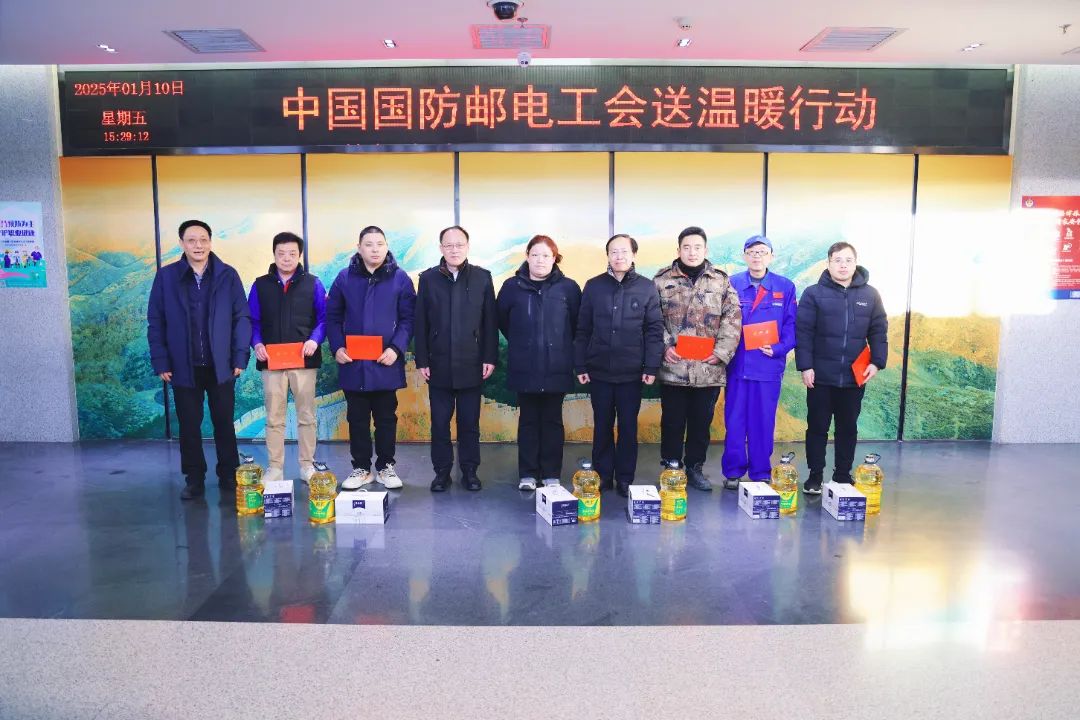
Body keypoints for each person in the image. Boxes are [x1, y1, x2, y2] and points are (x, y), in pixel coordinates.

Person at [147, 219, 251, 501]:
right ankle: (194, 478)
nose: (198, 245)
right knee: (189, 425)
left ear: (210, 242)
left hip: (222, 365)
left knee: (224, 423)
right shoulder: (166, 277)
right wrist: (161, 361)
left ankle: (228, 474)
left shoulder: (227, 275)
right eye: (192, 240)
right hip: (183, 365)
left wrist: (240, 355)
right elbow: (156, 321)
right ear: (182, 243)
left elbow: (241, 318)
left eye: (203, 239)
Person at [574, 233, 665, 497]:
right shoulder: (594, 286)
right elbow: (582, 329)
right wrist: (580, 365)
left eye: (624, 251)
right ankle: (602, 476)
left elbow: (654, 330)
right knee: (602, 425)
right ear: (608, 256)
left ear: (633, 254)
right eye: (614, 251)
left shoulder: (646, 287)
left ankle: (625, 477)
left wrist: (650, 367)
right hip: (599, 371)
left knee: (628, 426)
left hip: (632, 373)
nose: (619, 256)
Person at [327, 225, 416, 490]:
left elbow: (408, 319)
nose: (375, 249)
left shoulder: (400, 279)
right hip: (353, 363)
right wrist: (337, 347)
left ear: (387, 247)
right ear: (359, 248)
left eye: (380, 244)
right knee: (357, 419)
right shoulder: (344, 278)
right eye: (369, 244)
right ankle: (361, 468)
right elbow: (332, 317)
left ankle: (386, 466)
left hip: (385, 362)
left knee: (386, 418)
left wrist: (396, 348)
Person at [795, 241, 888, 494]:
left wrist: (876, 362)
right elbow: (803, 332)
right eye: (837, 260)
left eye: (848, 260)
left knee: (848, 428)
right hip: (820, 376)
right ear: (828, 264)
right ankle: (815, 476)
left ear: (855, 263)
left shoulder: (870, 295)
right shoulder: (813, 294)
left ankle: (842, 475)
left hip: (854, 376)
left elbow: (878, 331)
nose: (843, 265)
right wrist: (806, 366)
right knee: (817, 428)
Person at [654, 226, 742, 491]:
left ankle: (695, 468)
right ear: (678, 249)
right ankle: (671, 468)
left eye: (697, 247)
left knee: (701, 424)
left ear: (705, 250)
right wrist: (664, 346)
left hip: (708, 368)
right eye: (686, 247)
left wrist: (721, 353)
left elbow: (733, 318)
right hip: (674, 367)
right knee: (672, 422)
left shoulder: (721, 281)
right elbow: (652, 319)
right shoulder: (661, 280)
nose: (692, 252)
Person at [414, 225, 498, 492]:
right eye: (448, 245)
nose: (454, 249)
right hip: (438, 364)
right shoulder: (428, 279)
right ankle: (441, 473)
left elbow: (490, 322)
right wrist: (422, 360)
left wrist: (489, 356)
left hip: (472, 362)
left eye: (459, 244)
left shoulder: (482, 278)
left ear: (468, 247)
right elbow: (420, 322)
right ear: (441, 248)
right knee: (439, 423)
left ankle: (470, 471)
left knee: (469, 423)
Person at [497, 235, 582, 491]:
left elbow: (576, 324)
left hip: (557, 366)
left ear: (555, 258)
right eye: (535, 255)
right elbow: (503, 320)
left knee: (553, 421)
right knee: (528, 421)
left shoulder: (568, 288)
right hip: (525, 366)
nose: (540, 260)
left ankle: (551, 473)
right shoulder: (512, 287)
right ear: (527, 257)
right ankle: (528, 474)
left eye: (546, 255)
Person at [248, 231, 326, 485]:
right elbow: (252, 321)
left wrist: (315, 340)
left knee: (306, 416)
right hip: (272, 362)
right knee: (274, 418)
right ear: (274, 254)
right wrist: (257, 343)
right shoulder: (260, 285)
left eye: (292, 253)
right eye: (281, 253)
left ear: (299, 255)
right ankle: (275, 468)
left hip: (304, 360)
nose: (286, 258)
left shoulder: (313, 284)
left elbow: (324, 318)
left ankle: (306, 465)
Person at [721, 235, 797, 489]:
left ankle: (761, 471)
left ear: (771, 257)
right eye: (752, 252)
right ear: (744, 256)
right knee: (735, 421)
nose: (757, 256)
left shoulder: (785, 286)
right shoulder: (732, 284)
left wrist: (778, 349)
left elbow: (792, 325)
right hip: (738, 365)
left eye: (763, 252)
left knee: (763, 421)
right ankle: (733, 471)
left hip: (768, 365)